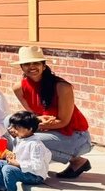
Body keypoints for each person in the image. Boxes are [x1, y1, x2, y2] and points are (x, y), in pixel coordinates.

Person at [11, 46, 93, 178]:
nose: (31, 67)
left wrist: (34, 125)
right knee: (10, 126)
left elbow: (63, 121)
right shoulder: (19, 88)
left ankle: (76, 160)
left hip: (76, 135)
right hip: (49, 129)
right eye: (26, 64)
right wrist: (37, 120)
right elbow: (33, 116)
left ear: (43, 66)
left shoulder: (62, 87)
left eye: (36, 63)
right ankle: (29, 164)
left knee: (28, 139)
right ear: (21, 67)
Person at [0, 111, 52, 191]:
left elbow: (37, 166)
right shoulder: (20, 138)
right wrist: (10, 156)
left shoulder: (35, 144)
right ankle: (1, 189)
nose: (13, 130)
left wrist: (18, 163)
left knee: (8, 169)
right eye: (13, 127)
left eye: (17, 127)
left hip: (35, 176)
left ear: (29, 129)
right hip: (24, 170)